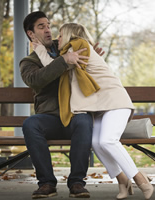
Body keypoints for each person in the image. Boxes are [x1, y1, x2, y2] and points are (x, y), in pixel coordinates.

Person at [33, 22, 154, 200]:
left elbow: (53, 65)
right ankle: (122, 180)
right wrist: (41, 50)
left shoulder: (78, 45)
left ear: (70, 35)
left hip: (114, 102)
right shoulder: (72, 52)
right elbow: (55, 67)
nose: (58, 38)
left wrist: (40, 50)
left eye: (61, 34)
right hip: (99, 108)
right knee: (96, 143)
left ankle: (140, 179)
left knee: (107, 141)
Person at [20, 11, 104, 199]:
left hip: (74, 116)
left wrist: (92, 58)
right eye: (41, 27)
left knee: (84, 121)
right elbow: (36, 80)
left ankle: (76, 183)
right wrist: (64, 61)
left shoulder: (68, 48)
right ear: (31, 34)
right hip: (50, 119)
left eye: (49, 25)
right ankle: (47, 183)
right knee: (30, 124)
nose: (48, 30)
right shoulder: (29, 62)